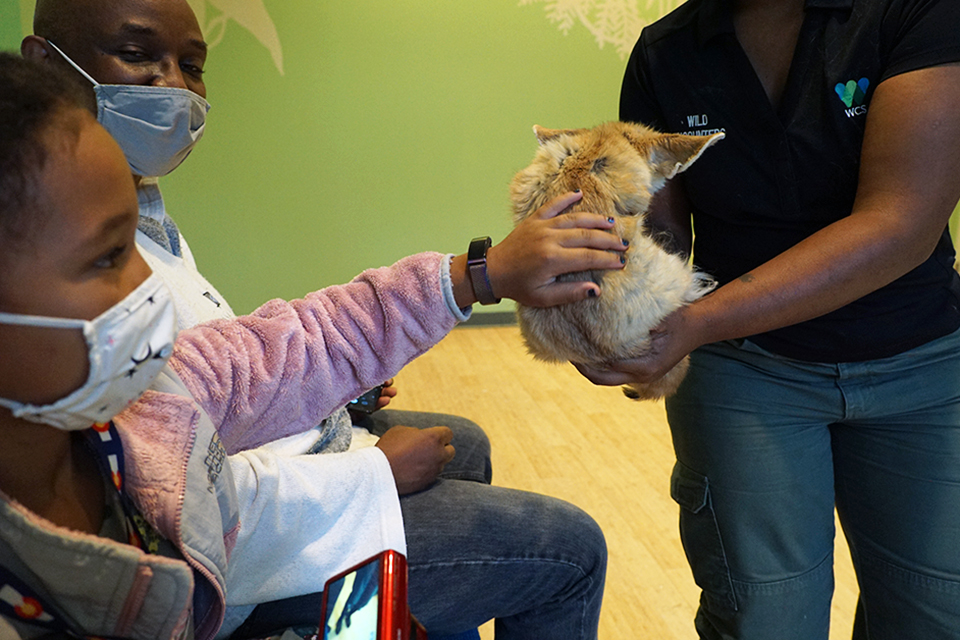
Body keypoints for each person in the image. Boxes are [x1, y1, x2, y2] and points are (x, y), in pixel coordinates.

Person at [0, 54, 621, 639]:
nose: (148, 290)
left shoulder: (144, 408)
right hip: (257, 591)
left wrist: (476, 275)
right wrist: (369, 474)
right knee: (567, 551)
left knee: (475, 460)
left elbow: (290, 347)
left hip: (272, 524)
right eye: (109, 257)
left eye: (135, 249)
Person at [574, 0, 960, 638]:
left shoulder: (916, 12)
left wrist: (692, 325)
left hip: (920, 363)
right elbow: (664, 233)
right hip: (746, 368)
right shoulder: (665, 51)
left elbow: (901, 225)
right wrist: (615, 310)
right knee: (765, 618)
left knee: (935, 615)